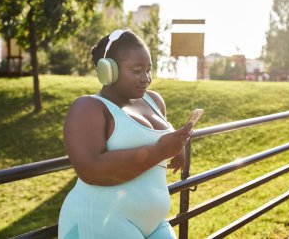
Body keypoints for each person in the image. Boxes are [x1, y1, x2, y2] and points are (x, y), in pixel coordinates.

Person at [58, 29, 193, 239]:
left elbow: (157, 140)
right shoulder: (88, 107)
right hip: (99, 220)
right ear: (108, 70)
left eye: (148, 69)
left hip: (154, 223)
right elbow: (90, 169)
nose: (146, 78)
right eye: (137, 70)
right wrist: (161, 151)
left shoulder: (154, 101)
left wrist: (178, 145)